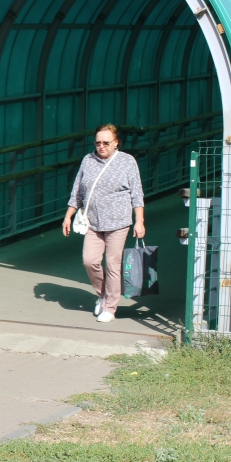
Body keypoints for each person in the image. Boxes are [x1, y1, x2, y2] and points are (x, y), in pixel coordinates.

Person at [62, 123, 145, 323]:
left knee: (113, 264)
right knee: (89, 261)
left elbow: (137, 193)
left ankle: (110, 307)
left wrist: (139, 221)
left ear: (116, 143)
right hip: (93, 222)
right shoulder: (88, 160)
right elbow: (78, 191)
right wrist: (68, 215)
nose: (101, 146)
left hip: (118, 222)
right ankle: (103, 294)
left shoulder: (127, 161)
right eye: (98, 142)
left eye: (106, 142)